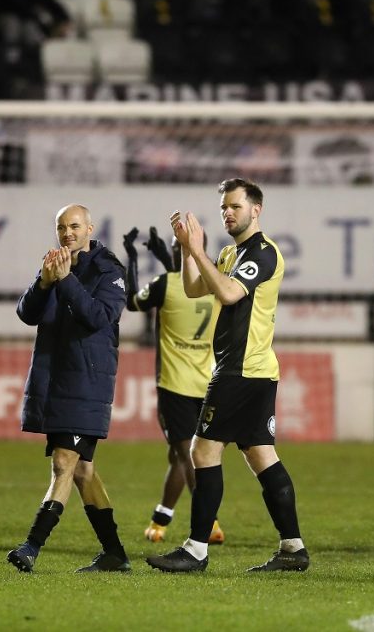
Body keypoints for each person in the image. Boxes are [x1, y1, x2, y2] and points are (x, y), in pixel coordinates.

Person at [146, 178, 309, 573]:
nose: (228, 213)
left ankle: (196, 549)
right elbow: (192, 288)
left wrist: (198, 250)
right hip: (254, 371)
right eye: (223, 208)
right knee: (260, 455)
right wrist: (188, 250)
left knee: (202, 451)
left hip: (240, 370)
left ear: (256, 209)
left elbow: (231, 294)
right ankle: (293, 548)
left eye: (235, 206)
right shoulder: (229, 253)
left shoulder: (263, 253)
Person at [7, 204, 131, 573]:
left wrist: (64, 281)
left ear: (90, 227)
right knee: (82, 472)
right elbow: (27, 313)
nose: (68, 233)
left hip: (87, 381)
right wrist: (44, 282)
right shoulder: (57, 264)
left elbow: (99, 317)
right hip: (56, 378)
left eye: (75, 226)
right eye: (61, 227)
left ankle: (31, 546)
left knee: (64, 463)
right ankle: (114, 553)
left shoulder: (109, 270)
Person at [122, 226, 225, 545]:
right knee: (179, 456)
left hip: (174, 385)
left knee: (186, 454)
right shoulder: (216, 284)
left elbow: (132, 302)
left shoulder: (165, 285)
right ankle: (161, 518)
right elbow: (186, 278)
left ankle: (209, 523)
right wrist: (164, 254)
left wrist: (133, 257)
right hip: (208, 383)